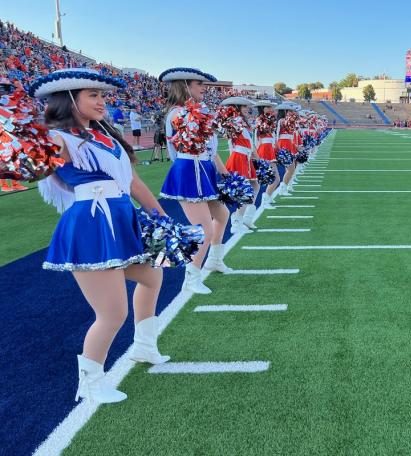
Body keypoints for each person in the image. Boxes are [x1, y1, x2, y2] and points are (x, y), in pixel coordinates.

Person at [30, 68, 170, 403]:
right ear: (69, 100)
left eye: (102, 95)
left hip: (121, 218)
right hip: (93, 225)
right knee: (111, 313)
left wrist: (161, 215)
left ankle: (144, 346)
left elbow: (133, 183)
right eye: (93, 95)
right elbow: (32, 158)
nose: (102, 102)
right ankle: (90, 384)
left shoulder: (106, 135)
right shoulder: (59, 138)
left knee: (152, 276)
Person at [158, 67, 232, 294]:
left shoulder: (196, 112)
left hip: (203, 168)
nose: (203, 89)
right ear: (185, 86)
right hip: (190, 170)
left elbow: (210, 147)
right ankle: (190, 279)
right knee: (203, 230)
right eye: (199, 84)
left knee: (222, 215)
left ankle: (214, 260)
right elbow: (178, 149)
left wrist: (222, 172)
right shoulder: (178, 113)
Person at [221, 96, 259, 232]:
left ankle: (246, 218)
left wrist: (256, 157)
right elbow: (229, 139)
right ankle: (237, 221)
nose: (247, 109)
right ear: (236, 108)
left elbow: (249, 142)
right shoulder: (234, 121)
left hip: (246, 157)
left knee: (255, 185)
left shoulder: (242, 122)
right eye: (243, 107)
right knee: (245, 190)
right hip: (239, 157)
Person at [0, 76, 26, 192]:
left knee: (15, 159)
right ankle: (4, 184)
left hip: (11, 134)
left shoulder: (8, 102)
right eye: (3, 89)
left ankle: (16, 183)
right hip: (2, 135)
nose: (4, 91)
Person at [253, 99, 280, 207]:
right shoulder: (259, 120)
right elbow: (256, 137)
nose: (270, 109)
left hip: (270, 149)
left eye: (270, 107)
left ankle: (266, 197)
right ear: (262, 108)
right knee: (269, 178)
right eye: (267, 107)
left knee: (274, 178)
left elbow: (272, 135)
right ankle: (264, 199)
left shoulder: (270, 120)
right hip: (264, 149)